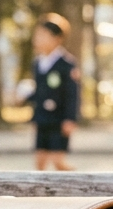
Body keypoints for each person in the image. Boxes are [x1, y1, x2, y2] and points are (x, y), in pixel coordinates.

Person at [25, 14, 79, 171]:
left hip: (58, 120)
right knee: (39, 161)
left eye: (43, 35)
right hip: (42, 118)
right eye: (37, 35)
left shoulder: (66, 63)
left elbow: (72, 93)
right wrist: (26, 99)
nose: (37, 39)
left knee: (57, 161)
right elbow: (39, 92)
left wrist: (70, 118)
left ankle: (76, 180)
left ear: (57, 38)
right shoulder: (37, 63)